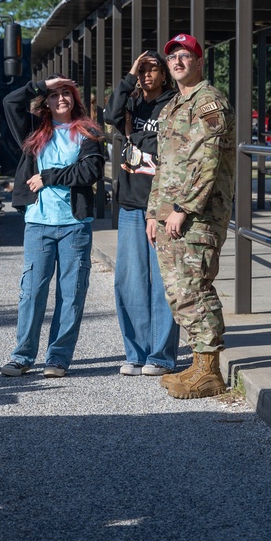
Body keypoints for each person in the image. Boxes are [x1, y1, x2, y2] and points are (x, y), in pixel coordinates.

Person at [146, 33, 236, 399]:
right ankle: (199, 362)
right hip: (171, 215)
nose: (178, 62)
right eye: (172, 57)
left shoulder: (209, 102)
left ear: (199, 62)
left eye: (185, 56)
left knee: (195, 287)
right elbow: (165, 166)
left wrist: (183, 209)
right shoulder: (172, 107)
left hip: (198, 215)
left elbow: (206, 162)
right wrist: (155, 211)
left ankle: (209, 370)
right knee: (179, 290)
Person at [0, 76, 106, 378]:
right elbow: (10, 102)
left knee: (71, 294)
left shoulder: (88, 131)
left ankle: (57, 358)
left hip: (75, 225)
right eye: (54, 95)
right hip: (38, 223)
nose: (61, 99)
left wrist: (49, 177)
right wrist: (41, 84)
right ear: (46, 100)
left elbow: (90, 171)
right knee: (32, 292)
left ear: (75, 99)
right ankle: (22, 356)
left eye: (66, 94)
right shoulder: (34, 130)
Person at [104, 51, 181, 377]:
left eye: (152, 69)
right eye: (142, 69)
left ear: (164, 75)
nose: (147, 74)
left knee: (162, 282)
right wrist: (129, 74)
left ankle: (161, 357)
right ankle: (135, 354)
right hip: (132, 206)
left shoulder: (173, 105)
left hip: (161, 207)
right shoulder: (131, 104)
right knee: (129, 282)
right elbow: (109, 114)